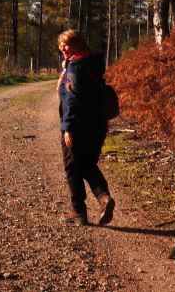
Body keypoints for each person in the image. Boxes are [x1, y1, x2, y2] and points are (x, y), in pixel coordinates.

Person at [56, 29, 116, 226]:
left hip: (79, 126)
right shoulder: (91, 63)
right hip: (97, 125)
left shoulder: (75, 67)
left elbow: (72, 100)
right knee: (88, 164)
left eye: (66, 44)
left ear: (77, 44)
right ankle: (104, 198)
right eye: (60, 45)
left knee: (72, 167)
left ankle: (78, 212)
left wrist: (68, 128)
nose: (62, 48)